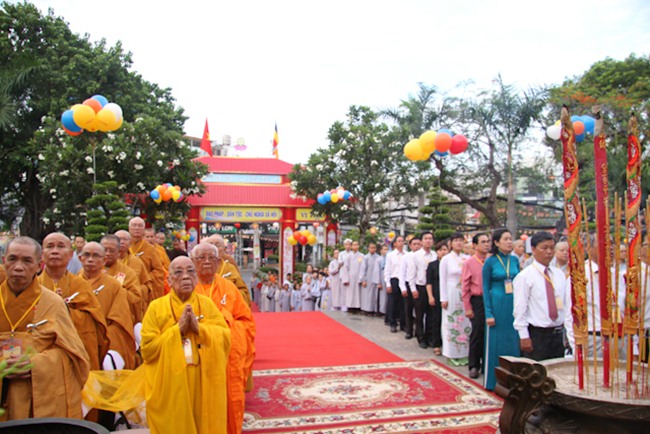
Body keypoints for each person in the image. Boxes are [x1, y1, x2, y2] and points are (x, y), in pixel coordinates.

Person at [1, 236, 90, 420]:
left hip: (36, 399)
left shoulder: (53, 302)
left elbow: (74, 356)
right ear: (4, 261)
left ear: (38, 265)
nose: (18, 267)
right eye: (12, 259)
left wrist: (37, 364)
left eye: (27, 261)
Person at [142, 256, 231, 433]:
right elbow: (147, 350)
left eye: (190, 271)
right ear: (169, 280)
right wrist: (177, 331)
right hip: (170, 382)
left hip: (202, 379)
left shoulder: (206, 304)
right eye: (178, 272)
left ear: (196, 278)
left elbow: (225, 338)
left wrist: (200, 329)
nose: (185, 276)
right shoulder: (156, 307)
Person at [191, 243, 255, 434]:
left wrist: (227, 327)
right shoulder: (186, 287)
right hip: (196, 355)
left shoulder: (228, 288)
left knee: (229, 399)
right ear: (193, 261)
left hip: (226, 355)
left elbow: (246, 321)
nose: (206, 262)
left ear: (219, 262)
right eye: (201, 258)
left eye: (212, 258)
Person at [39, 233, 108, 371]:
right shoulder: (33, 286)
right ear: (42, 255)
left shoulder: (81, 285)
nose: (55, 251)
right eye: (50, 246)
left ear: (71, 254)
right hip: (41, 354)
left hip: (76, 350)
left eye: (61, 246)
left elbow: (94, 322)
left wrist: (65, 309)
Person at [79, 242, 136, 370]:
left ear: (104, 260)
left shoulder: (114, 286)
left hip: (105, 340)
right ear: (80, 258)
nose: (90, 259)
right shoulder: (72, 284)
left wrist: (98, 336)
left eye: (96, 256)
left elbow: (120, 321)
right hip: (78, 341)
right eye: (86, 255)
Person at [513, 232, 568, 361]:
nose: (549, 252)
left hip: (558, 333)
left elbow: (565, 303)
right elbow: (520, 308)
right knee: (537, 370)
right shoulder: (525, 276)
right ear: (533, 249)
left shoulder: (559, 274)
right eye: (544, 248)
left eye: (552, 248)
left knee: (557, 369)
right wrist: (523, 336)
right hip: (537, 334)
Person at [482, 228, 521, 391]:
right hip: (496, 304)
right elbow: (485, 288)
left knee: (513, 342)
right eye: (505, 239)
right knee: (496, 343)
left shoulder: (515, 260)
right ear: (496, 243)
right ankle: (492, 381)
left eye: (510, 238)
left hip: (513, 304)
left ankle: (514, 381)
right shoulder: (490, 262)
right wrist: (488, 313)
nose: (509, 242)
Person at [461, 233, 490, 379]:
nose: (486, 244)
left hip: (491, 300)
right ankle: (474, 365)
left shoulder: (491, 261)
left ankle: (487, 363)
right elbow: (465, 287)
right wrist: (468, 307)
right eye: (483, 242)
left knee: (489, 333)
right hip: (477, 300)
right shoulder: (469, 263)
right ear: (475, 245)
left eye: (488, 241)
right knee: (477, 332)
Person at [440, 233, 471, 365]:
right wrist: (443, 298)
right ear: (451, 244)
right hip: (451, 291)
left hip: (465, 292)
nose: (459, 243)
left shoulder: (467, 258)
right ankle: (451, 353)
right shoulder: (446, 259)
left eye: (461, 241)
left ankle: (464, 352)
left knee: (465, 322)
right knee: (451, 321)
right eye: (456, 241)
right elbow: (442, 280)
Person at [102, 234, 143, 327]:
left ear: (118, 253)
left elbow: (136, 298)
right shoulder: (88, 271)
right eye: (105, 250)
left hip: (118, 320)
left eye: (111, 251)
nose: (107, 253)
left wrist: (115, 289)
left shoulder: (128, 273)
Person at [408, 232, 437, 349]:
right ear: (421, 241)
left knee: (431, 314)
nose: (428, 241)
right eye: (426, 238)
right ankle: (420, 337)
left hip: (433, 288)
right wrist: (413, 289)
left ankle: (429, 336)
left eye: (430, 239)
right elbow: (411, 273)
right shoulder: (416, 256)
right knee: (419, 314)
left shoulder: (435, 255)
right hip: (420, 287)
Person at [115, 230, 154, 314]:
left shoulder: (137, 262)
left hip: (133, 304)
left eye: (125, 239)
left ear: (130, 243)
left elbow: (147, 285)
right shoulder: (107, 262)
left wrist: (136, 290)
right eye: (119, 239)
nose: (122, 242)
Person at [129, 217, 166, 300]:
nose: (137, 228)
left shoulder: (150, 249)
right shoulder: (124, 247)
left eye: (140, 226)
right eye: (134, 225)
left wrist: (145, 278)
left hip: (144, 287)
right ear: (129, 228)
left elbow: (159, 271)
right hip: (127, 285)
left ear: (144, 229)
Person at [399, 236, 421, 339]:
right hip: (408, 284)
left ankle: (419, 332)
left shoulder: (423, 256)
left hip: (420, 285)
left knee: (419, 310)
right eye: (414, 244)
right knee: (408, 309)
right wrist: (403, 287)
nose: (417, 246)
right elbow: (402, 273)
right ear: (410, 246)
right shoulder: (406, 257)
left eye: (418, 244)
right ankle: (409, 330)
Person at [384, 236, 406, 333]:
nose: (401, 242)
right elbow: (387, 270)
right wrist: (388, 284)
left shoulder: (407, 255)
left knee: (403, 303)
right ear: (395, 244)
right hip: (394, 280)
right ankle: (392, 323)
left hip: (404, 280)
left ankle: (403, 324)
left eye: (402, 241)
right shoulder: (390, 255)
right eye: (399, 241)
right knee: (392, 303)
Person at [342, 241, 364, 312]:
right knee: (350, 293)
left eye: (357, 245)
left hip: (358, 276)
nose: (355, 246)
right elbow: (346, 268)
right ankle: (350, 307)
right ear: (351, 246)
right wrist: (346, 279)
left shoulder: (361, 256)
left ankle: (358, 307)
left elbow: (362, 267)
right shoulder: (349, 256)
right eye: (354, 245)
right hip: (350, 277)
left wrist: (361, 278)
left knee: (358, 292)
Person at [360, 243, 382, 316]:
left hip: (376, 278)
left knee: (375, 294)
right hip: (368, 278)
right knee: (367, 295)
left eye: (374, 248)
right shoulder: (365, 257)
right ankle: (367, 310)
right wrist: (363, 279)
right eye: (371, 248)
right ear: (368, 248)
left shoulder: (378, 257)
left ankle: (374, 310)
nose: (373, 249)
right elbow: (363, 269)